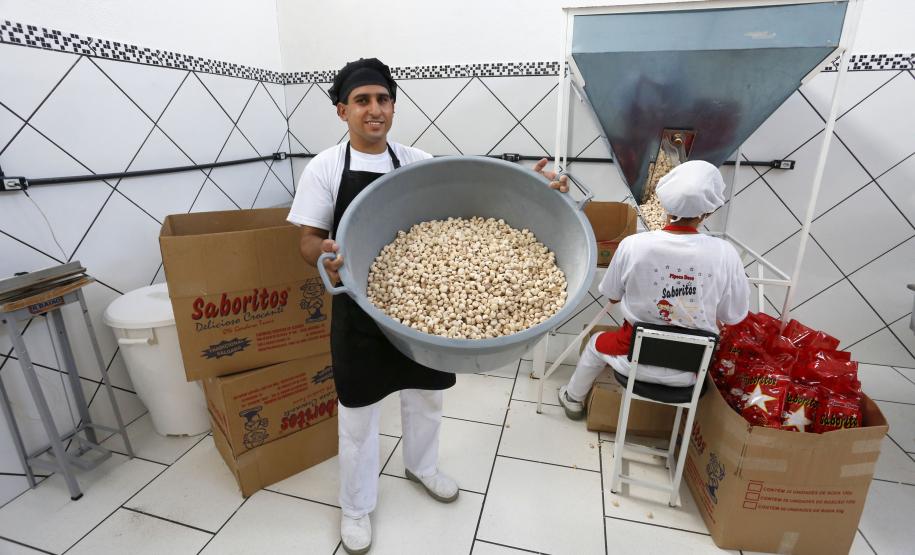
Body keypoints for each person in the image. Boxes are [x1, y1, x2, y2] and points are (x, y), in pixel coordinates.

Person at [288, 57, 567, 554]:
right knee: (357, 409)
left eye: (383, 99)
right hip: (359, 303)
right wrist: (326, 254)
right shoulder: (326, 168)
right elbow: (308, 240)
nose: (375, 110)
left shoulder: (416, 159)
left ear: (392, 106)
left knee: (427, 393)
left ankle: (421, 465)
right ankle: (356, 506)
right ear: (341, 110)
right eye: (362, 101)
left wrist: (539, 187)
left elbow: (473, 189)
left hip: (418, 319)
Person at [557, 160, 750, 420]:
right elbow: (732, 315)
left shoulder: (634, 245)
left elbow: (612, 294)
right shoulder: (725, 253)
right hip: (691, 371)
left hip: (633, 359)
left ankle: (573, 398)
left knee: (595, 343)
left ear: (664, 204)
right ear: (708, 211)